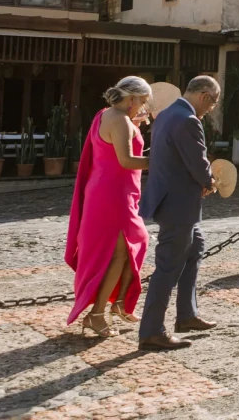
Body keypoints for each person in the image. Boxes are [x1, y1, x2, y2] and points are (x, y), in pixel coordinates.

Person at [137, 76, 220, 351]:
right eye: (213, 104)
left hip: (171, 200)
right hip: (178, 205)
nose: (210, 110)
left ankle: (187, 314)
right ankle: (152, 330)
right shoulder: (188, 120)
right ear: (205, 96)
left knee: (195, 247)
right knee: (168, 267)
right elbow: (198, 160)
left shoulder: (166, 114)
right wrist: (209, 182)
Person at [65, 76, 152, 337]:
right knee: (120, 253)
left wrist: (134, 125)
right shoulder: (120, 120)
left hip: (109, 190)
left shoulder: (107, 115)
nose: (142, 108)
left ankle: (118, 304)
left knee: (135, 243)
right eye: (142, 102)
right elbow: (126, 160)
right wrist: (162, 159)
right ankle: (98, 314)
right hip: (113, 194)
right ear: (132, 99)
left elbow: (112, 146)